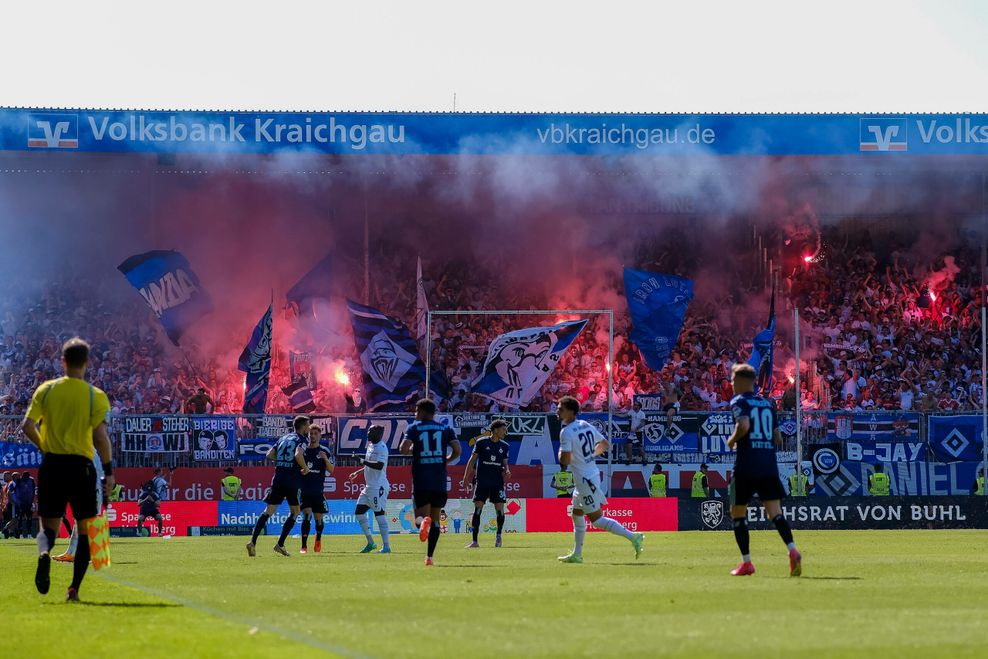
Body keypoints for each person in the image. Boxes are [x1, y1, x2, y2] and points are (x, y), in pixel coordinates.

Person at [21, 337, 114, 602]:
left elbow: (27, 426)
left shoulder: (46, 390)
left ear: (62, 361)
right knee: (85, 529)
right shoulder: (93, 395)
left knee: (48, 527)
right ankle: (73, 589)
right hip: (81, 467)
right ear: (86, 363)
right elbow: (100, 437)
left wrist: (45, 448)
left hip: (52, 465)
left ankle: (43, 554)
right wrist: (108, 471)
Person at [725, 363, 801, 578]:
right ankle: (792, 549)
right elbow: (777, 437)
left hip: (747, 464)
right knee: (775, 513)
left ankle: (747, 563)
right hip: (768, 464)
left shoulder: (739, 401)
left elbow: (744, 426)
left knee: (738, 513)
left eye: (733, 380)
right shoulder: (767, 404)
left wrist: (732, 440)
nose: (731, 384)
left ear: (741, 381)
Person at [555, 396, 644, 564]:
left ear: (570, 411)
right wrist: (589, 456)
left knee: (596, 520)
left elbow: (564, 461)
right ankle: (577, 554)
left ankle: (634, 536)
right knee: (576, 514)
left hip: (585, 480)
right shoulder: (585, 425)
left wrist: (563, 454)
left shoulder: (566, 432)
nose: (557, 411)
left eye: (560, 408)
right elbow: (604, 443)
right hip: (589, 475)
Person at [400, 398, 460, 566]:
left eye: (417, 410)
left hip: (422, 479)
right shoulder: (446, 429)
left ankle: (423, 522)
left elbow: (403, 450)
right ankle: (429, 557)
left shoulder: (414, 428)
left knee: (419, 518)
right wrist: (445, 460)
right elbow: (458, 450)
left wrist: (414, 450)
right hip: (440, 480)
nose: (415, 414)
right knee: (435, 520)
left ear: (424, 412)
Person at [245, 416, 311, 558]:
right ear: (303, 427)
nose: (309, 429)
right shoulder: (302, 440)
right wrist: (305, 468)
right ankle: (280, 544)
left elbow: (269, 454)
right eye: (308, 426)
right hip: (292, 480)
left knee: (268, 511)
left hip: (278, 478)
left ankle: (252, 542)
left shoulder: (283, 438)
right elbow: (299, 454)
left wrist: (282, 460)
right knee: (295, 511)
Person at [462, 419, 511, 548]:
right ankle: (474, 541)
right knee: (478, 509)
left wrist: (507, 470)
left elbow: (505, 463)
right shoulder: (481, 442)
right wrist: (466, 477)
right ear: (495, 430)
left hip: (497, 482)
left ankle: (499, 537)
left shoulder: (505, 446)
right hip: (482, 481)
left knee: (500, 510)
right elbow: (472, 460)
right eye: (503, 429)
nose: (505, 432)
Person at [349, 424, 391, 554]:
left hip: (378, 486)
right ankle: (371, 543)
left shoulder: (382, 448)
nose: (367, 433)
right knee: (359, 512)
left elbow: (379, 466)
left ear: (378, 434)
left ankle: (386, 547)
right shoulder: (371, 446)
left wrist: (361, 461)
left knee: (379, 514)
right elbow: (369, 464)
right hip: (369, 487)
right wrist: (358, 472)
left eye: (370, 431)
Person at [299, 426, 334, 554]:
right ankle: (303, 546)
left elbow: (331, 470)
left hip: (318, 492)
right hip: (305, 491)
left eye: (315, 433)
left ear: (320, 435)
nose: (312, 436)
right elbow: (298, 467)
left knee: (319, 520)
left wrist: (325, 458)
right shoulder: (303, 451)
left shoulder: (324, 451)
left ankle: (318, 539)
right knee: (307, 515)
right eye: (311, 433)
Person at [16, 471, 36, 539]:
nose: (26, 478)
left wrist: (32, 502)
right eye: (25, 476)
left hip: (29, 503)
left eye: (27, 476)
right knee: (20, 518)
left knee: (29, 518)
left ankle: (29, 534)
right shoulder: (19, 480)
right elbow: (17, 492)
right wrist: (19, 503)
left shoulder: (32, 480)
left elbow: (33, 491)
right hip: (21, 503)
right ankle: (20, 534)